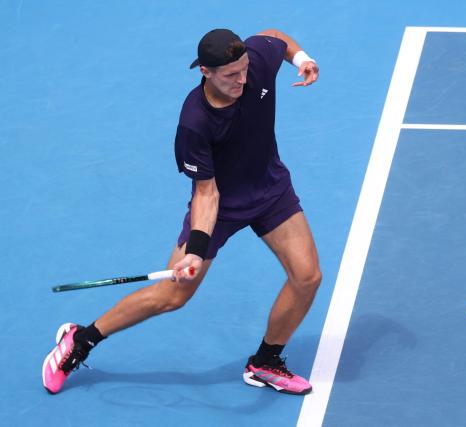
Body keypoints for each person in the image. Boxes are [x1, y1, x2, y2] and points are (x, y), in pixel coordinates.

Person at [42, 28, 321, 396]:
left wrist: (302, 59)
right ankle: (82, 339)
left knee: (307, 277)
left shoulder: (257, 62)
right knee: (173, 296)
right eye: (231, 75)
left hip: (271, 191)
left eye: (244, 69)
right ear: (205, 71)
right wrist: (196, 249)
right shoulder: (194, 122)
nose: (242, 79)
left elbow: (274, 37)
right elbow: (206, 193)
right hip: (220, 207)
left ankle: (265, 361)